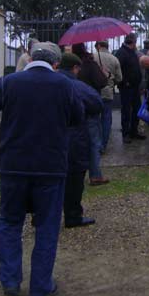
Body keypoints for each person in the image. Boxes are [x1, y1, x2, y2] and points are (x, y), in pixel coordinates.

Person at [0, 42, 83, 296]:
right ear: (56, 63)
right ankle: (40, 287)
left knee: (10, 222)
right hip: (50, 165)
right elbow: (78, 116)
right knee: (47, 226)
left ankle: (11, 281)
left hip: (14, 164)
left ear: (31, 59)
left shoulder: (10, 82)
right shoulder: (64, 85)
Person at [59, 53, 103, 225]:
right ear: (75, 68)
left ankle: (40, 215)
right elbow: (96, 103)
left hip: (47, 139)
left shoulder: (44, 83)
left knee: (47, 179)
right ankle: (72, 215)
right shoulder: (76, 86)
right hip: (73, 137)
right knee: (74, 179)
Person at [72, 43, 109, 185]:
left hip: (74, 107)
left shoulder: (71, 65)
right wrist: (103, 72)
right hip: (90, 107)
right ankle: (95, 175)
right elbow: (102, 82)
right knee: (94, 142)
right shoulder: (89, 64)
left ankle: (75, 171)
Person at [115, 33, 145, 144]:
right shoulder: (122, 53)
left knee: (136, 110)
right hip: (126, 87)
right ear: (133, 42)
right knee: (126, 111)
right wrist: (124, 82)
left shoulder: (131, 52)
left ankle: (134, 131)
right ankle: (126, 133)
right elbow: (118, 70)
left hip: (135, 86)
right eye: (136, 41)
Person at [95, 40, 123, 152]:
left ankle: (95, 143)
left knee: (94, 119)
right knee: (106, 118)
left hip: (94, 92)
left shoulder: (92, 57)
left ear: (98, 46)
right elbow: (119, 78)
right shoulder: (114, 59)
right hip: (108, 92)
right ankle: (103, 145)